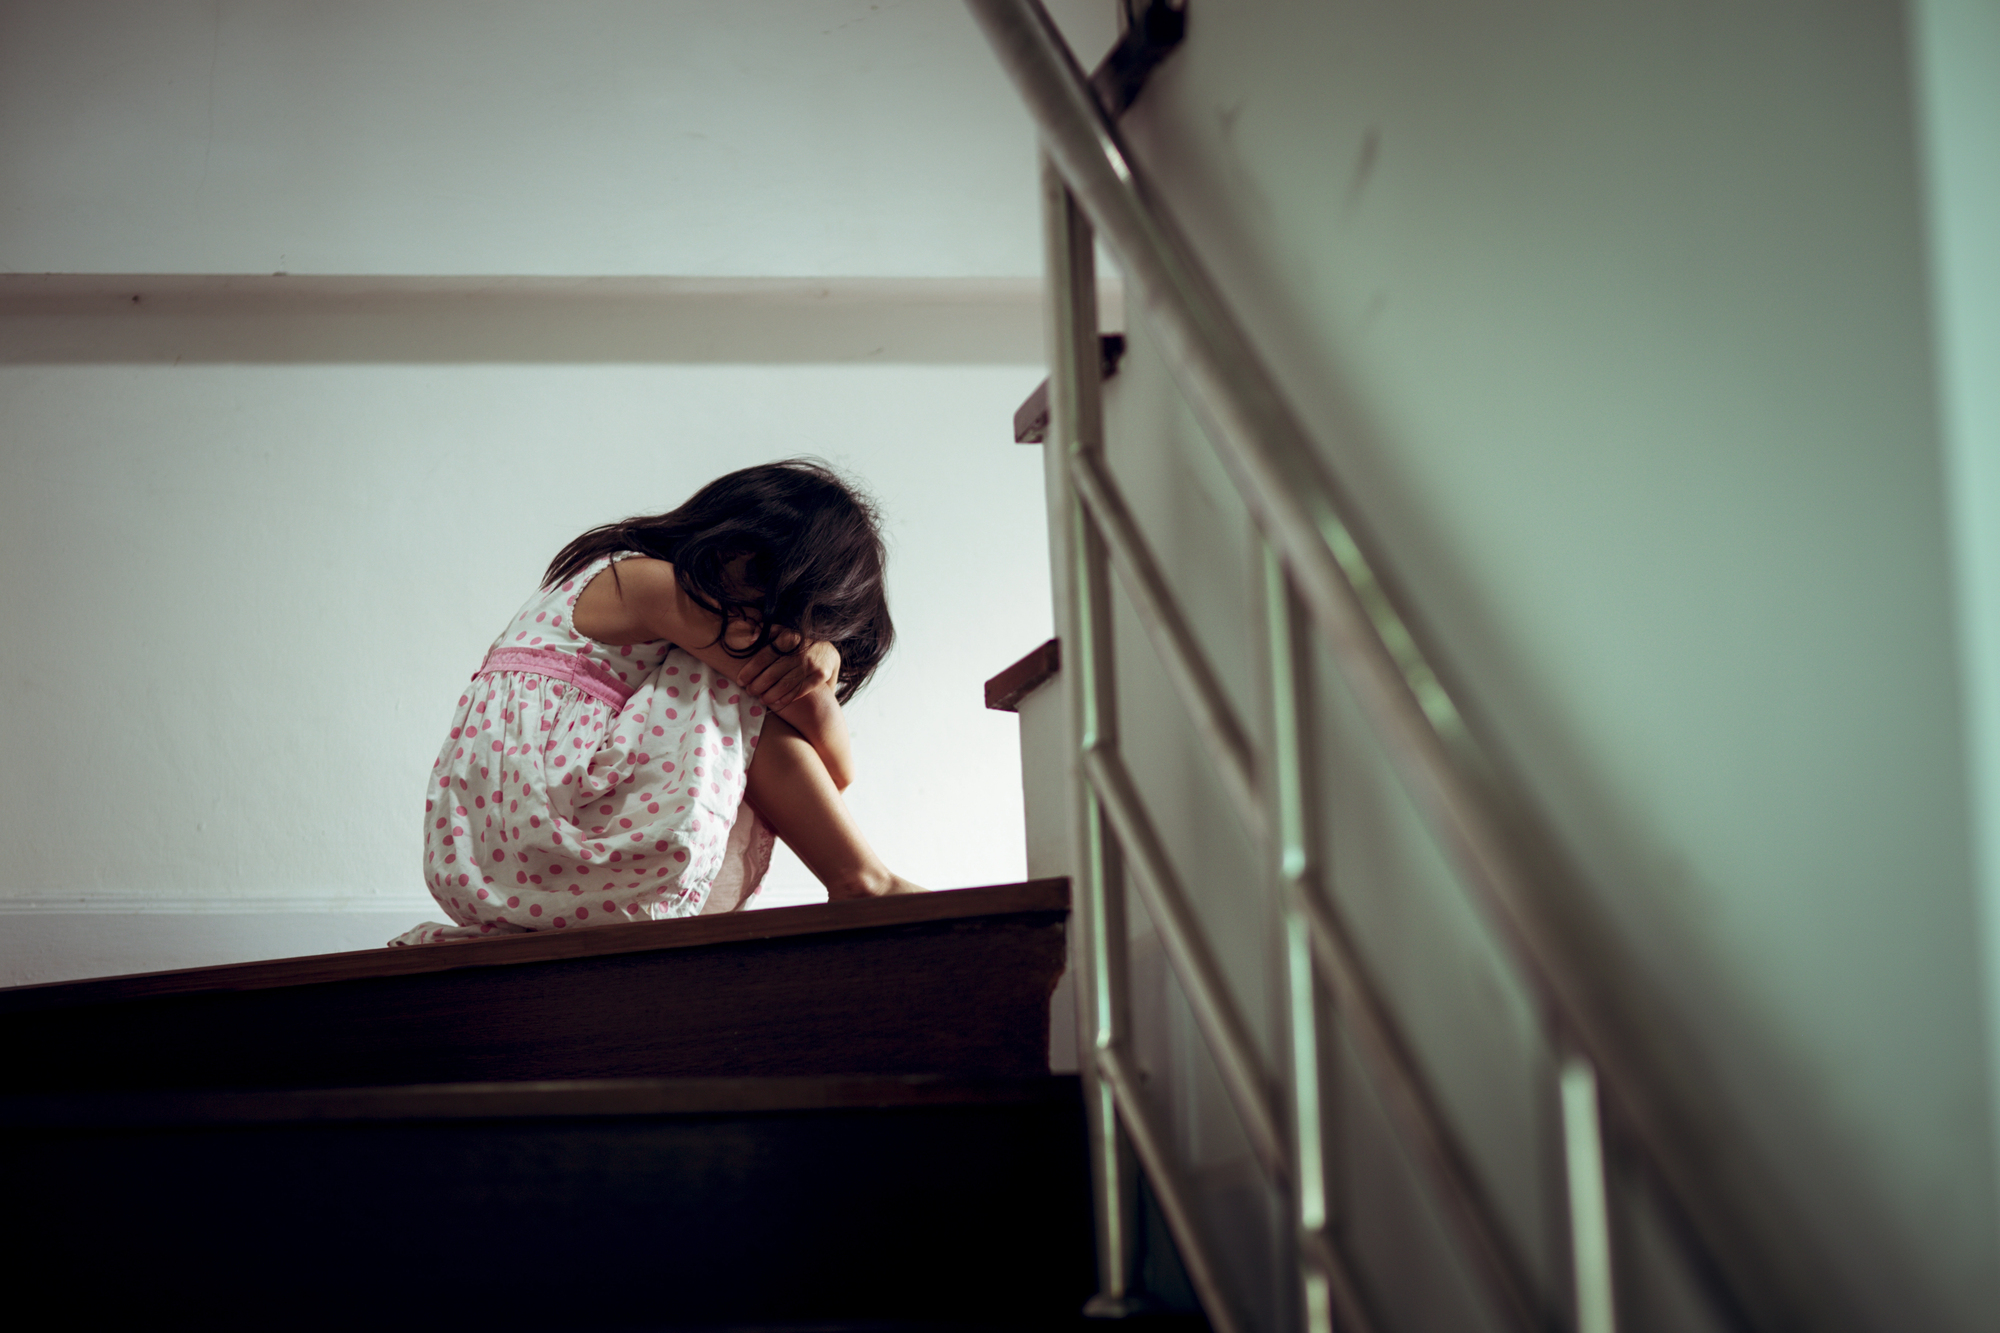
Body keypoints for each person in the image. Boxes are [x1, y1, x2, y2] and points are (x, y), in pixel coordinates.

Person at [391, 459, 922, 946]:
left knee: (733, 671)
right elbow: (837, 772)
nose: (776, 627)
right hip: (557, 833)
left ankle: (861, 877)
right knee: (733, 676)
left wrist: (818, 682)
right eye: (781, 607)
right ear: (740, 543)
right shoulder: (638, 580)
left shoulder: (608, 597)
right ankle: (860, 877)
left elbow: (832, 776)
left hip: (493, 864)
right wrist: (817, 681)